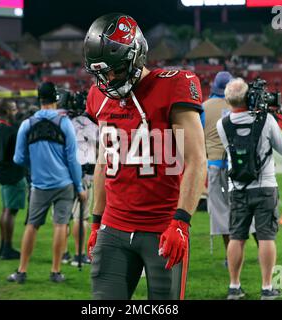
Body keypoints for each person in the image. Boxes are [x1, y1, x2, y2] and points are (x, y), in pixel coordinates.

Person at [84, 13, 206, 300]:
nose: (109, 79)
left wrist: (181, 222)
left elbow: (197, 160)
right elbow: (104, 161)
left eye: (115, 69)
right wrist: (95, 221)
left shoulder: (173, 85)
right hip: (113, 227)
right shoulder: (97, 96)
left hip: (162, 227)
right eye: (102, 72)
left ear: (137, 57)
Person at [216, 78, 282, 300]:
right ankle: (267, 287)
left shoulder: (221, 125)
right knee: (266, 237)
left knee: (236, 237)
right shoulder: (266, 121)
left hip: (238, 188)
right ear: (249, 97)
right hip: (265, 187)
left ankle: (234, 287)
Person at [7, 82, 86, 284]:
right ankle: (55, 271)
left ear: (38, 99)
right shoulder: (64, 123)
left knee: (31, 226)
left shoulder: (27, 124)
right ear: (55, 99)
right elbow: (73, 159)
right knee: (60, 225)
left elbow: (18, 158)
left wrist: (34, 164)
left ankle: (22, 271)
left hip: (39, 185)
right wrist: (79, 187)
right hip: (64, 184)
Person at [203, 72, 257, 268]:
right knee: (248, 206)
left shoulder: (204, 107)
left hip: (215, 165)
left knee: (221, 212)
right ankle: (263, 247)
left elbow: (198, 138)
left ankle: (229, 256)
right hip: (242, 165)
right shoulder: (242, 106)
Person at [62, 92, 98, 267]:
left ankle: (63, 254)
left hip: (63, 175)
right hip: (84, 174)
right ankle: (79, 254)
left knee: (63, 218)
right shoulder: (91, 124)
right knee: (81, 218)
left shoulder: (62, 123)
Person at [0, 99, 26, 260]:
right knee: (10, 211)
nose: (16, 112)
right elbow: (17, 154)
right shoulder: (9, 130)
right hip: (12, 174)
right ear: (7, 111)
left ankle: (3, 246)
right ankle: (7, 248)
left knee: (6, 209)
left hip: (1, 173)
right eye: (13, 109)